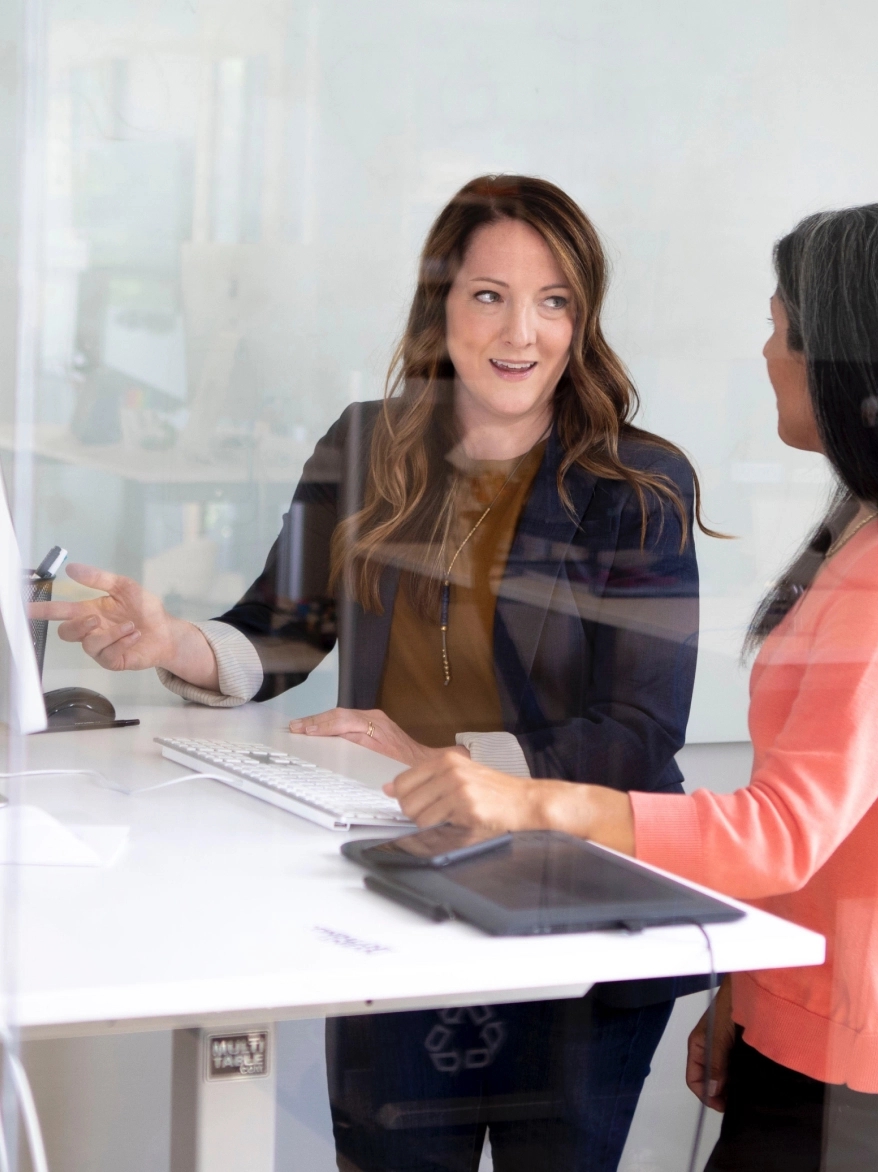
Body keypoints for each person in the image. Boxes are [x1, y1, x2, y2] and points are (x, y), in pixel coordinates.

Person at [36, 175, 713, 1171]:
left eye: (554, 299)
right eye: (489, 294)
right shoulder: (367, 444)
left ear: (584, 316)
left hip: (578, 889)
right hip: (405, 883)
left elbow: (639, 732)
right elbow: (280, 630)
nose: (520, 330)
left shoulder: (637, 482)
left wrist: (437, 753)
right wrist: (172, 640)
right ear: (439, 306)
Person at [388, 202, 878, 1171]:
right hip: (802, 1016)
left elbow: (782, 828)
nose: (764, 350)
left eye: (780, 324)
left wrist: (527, 793)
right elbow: (842, 837)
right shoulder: (865, 534)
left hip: (863, 1057)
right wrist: (745, 995)